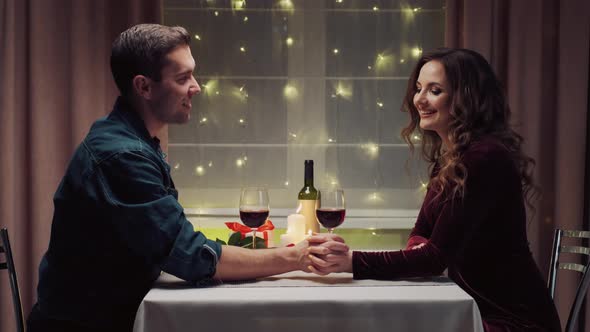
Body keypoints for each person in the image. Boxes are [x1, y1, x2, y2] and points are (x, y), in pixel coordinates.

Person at [27, 23, 348, 332]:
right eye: (183, 77)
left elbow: (177, 243)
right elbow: (191, 256)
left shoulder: (132, 141)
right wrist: (294, 256)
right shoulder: (123, 155)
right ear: (144, 86)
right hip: (87, 324)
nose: (196, 86)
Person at [307, 48, 562, 332]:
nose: (420, 99)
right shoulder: (452, 161)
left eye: (435, 90)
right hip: (476, 312)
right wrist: (422, 251)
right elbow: (421, 235)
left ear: (466, 98)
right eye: (418, 88)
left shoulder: (484, 158)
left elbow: (433, 258)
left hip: (513, 322)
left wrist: (351, 261)